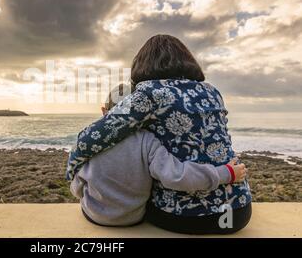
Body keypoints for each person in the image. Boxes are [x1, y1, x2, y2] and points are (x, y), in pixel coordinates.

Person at [67, 35, 252, 234]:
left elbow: (92, 137)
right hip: (238, 212)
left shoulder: (148, 92)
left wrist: (72, 170)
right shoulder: (212, 91)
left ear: (142, 64)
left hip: (187, 217)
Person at [70, 84, 247, 227]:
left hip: (95, 215)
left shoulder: (91, 140)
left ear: (104, 111)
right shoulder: (147, 141)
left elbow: (77, 184)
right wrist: (226, 173)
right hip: (133, 218)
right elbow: (177, 175)